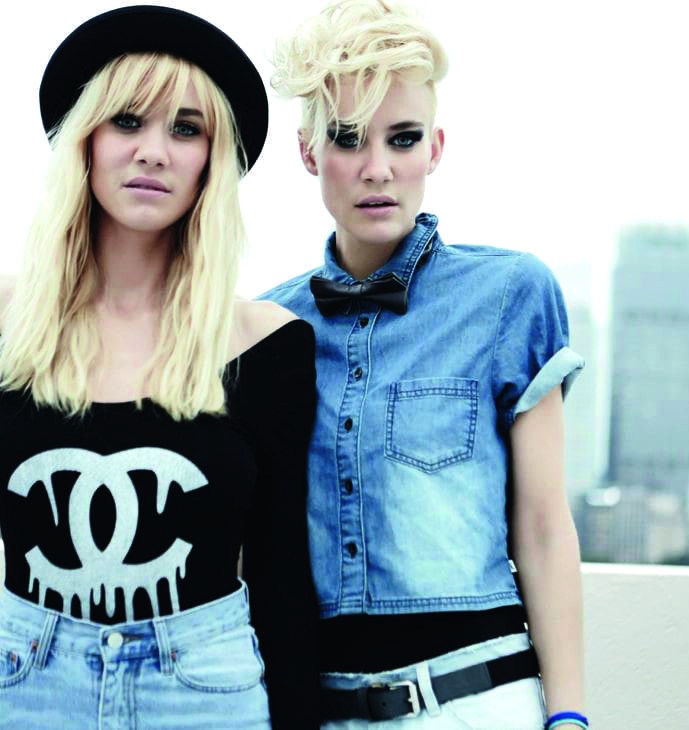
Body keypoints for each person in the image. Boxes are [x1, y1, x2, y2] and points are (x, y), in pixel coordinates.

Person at [0, 6, 318, 729]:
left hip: (205, 697)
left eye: (185, 129)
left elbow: (281, 579)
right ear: (85, 140)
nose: (153, 151)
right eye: (127, 121)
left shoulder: (267, 345)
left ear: (212, 161)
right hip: (29, 693)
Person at [259, 1, 587, 728]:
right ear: (308, 151)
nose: (377, 168)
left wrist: (568, 717)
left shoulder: (510, 294)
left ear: (434, 149)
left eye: (402, 139)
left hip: (477, 706)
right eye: (348, 138)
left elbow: (542, 525)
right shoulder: (267, 328)